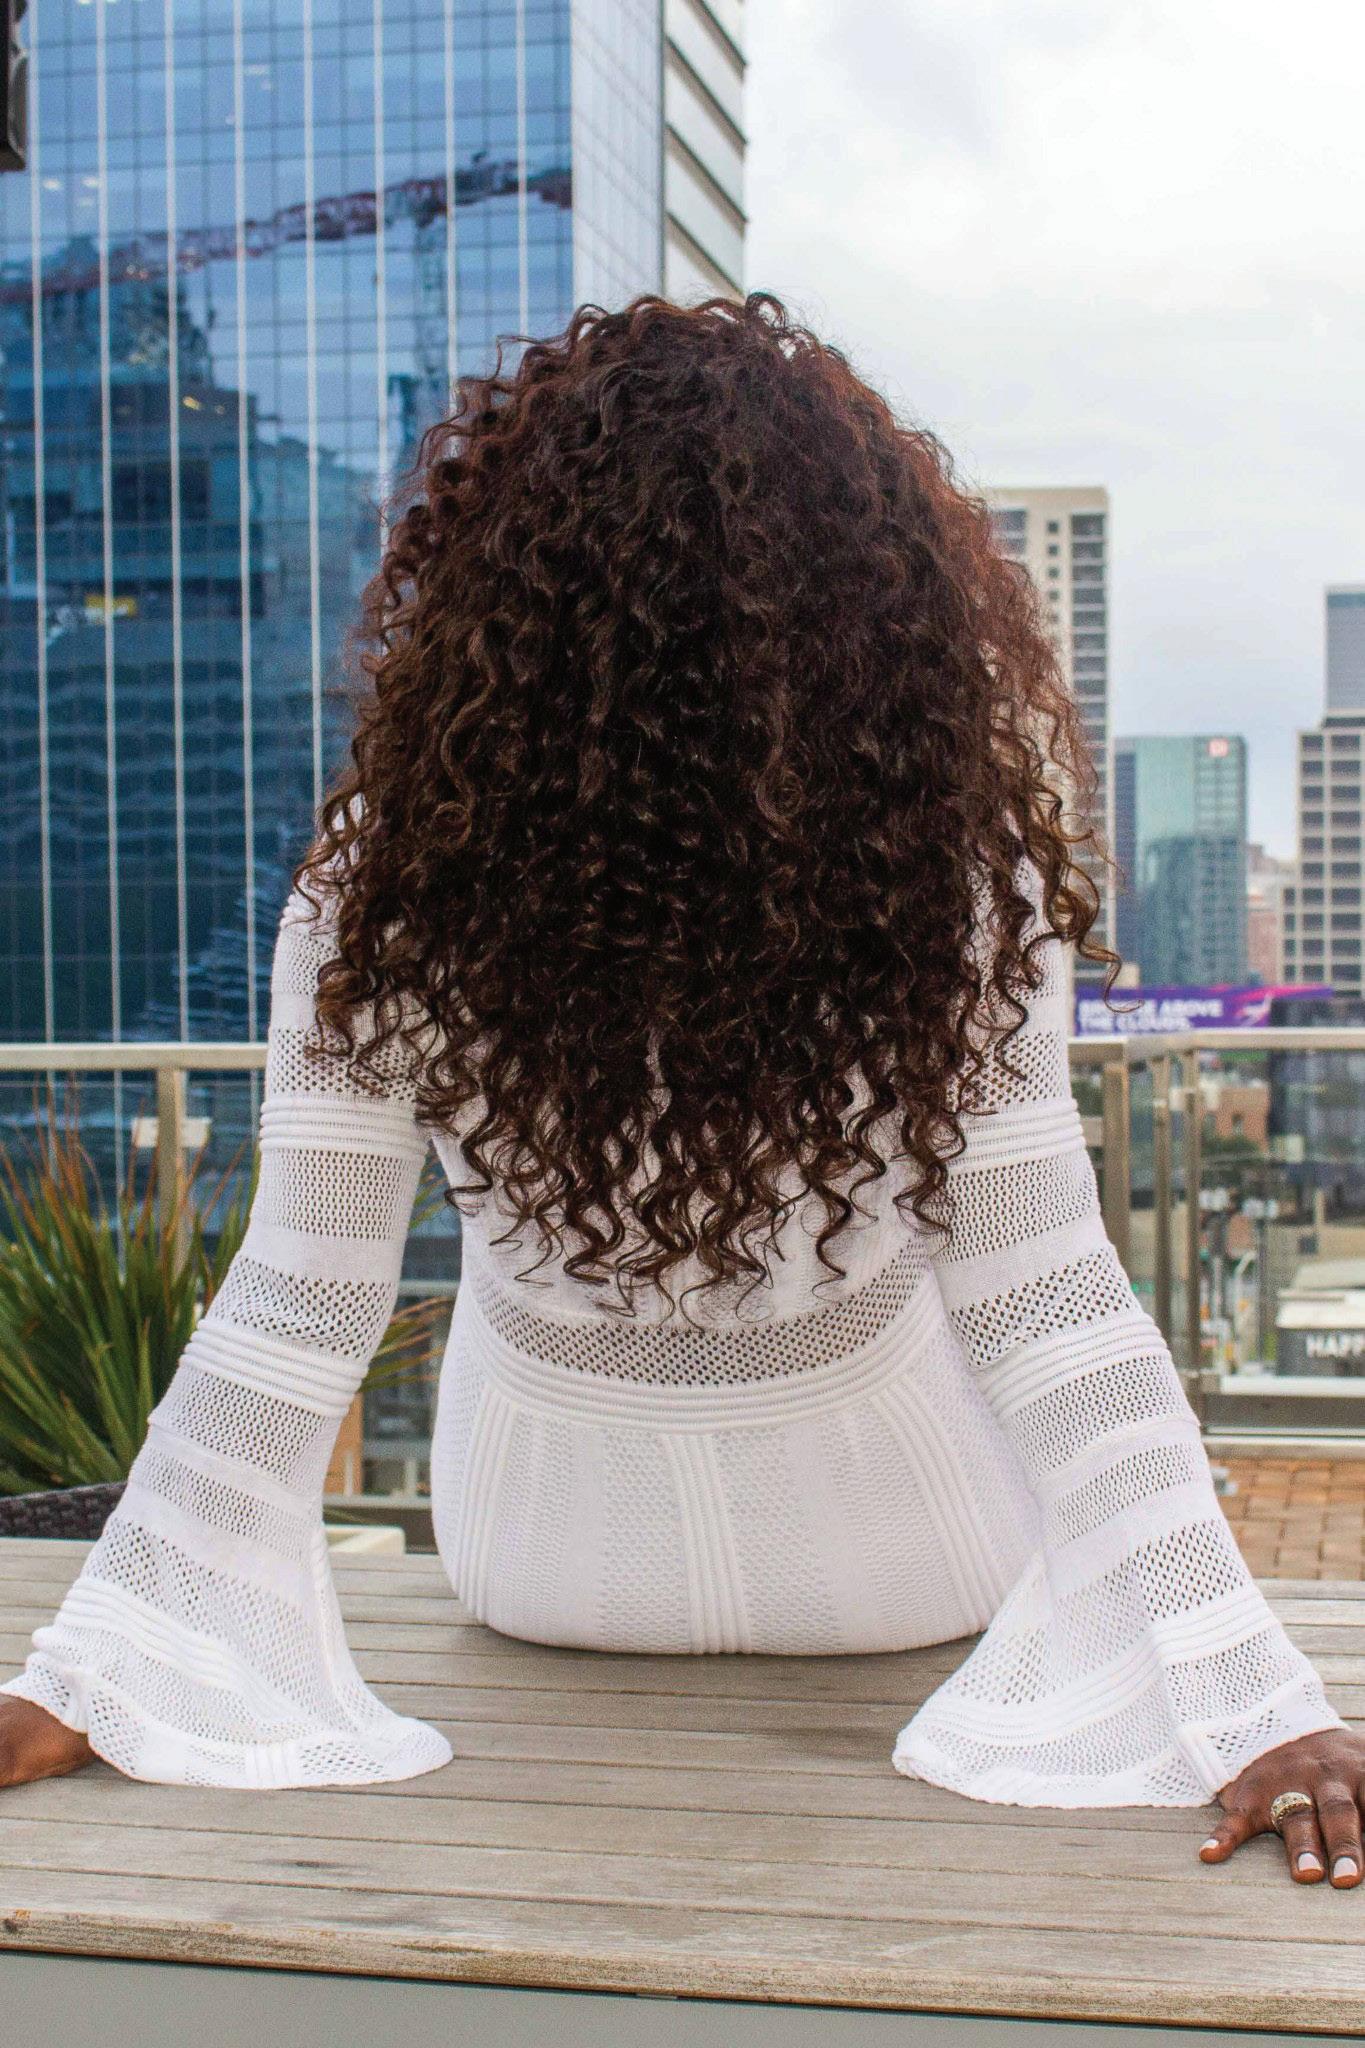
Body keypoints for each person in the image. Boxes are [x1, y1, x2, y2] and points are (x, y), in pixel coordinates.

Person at [1, 295, 1359, 1887]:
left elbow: (298, 1306)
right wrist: (1245, 1694)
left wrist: (92, 1667)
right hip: (902, 1556)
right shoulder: (952, 888)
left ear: (499, 601)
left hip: (543, 1558)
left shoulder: (379, 896)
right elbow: (1046, 1304)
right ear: (876, 610)